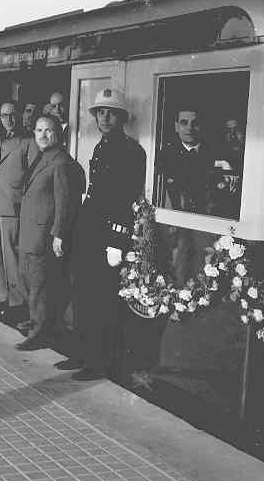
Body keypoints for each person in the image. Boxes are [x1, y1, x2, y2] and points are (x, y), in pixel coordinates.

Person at [64, 88, 146, 381]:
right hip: (90, 229)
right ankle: (82, 353)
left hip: (109, 234)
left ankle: (98, 362)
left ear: (122, 117)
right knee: (84, 294)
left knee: (102, 301)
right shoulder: (100, 147)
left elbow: (128, 198)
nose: (105, 117)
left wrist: (117, 240)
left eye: (111, 112)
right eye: (101, 112)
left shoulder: (131, 150)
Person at [15, 115, 76, 350]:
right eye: (38, 129)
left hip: (43, 235)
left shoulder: (60, 162)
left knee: (40, 286)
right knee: (29, 281)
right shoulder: (41, 157)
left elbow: (64, 203)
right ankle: (36, 321)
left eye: (48, 130)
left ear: (57, 133)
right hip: (30, 232)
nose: (42, 134)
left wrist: (59, 234)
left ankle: (39, 333)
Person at [0, 102, 27, 321]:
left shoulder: (26, 141)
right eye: (3, 115)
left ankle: (16, 302)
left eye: (12, 115)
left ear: (18, 116)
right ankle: (2, 298)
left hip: (11, 204)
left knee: (11, 256)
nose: (8, 119)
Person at [157, 107, 215, 213]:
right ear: (176, 127)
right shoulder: (164, 156)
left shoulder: (214, 154)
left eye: (195, 123)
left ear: (202, 126)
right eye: (184, 123)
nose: (190, 128)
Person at [212, 117, 245, 217]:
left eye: (236, 130)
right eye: (228, 131)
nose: (233, 135)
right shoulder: (219, 154)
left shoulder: (254, 154)